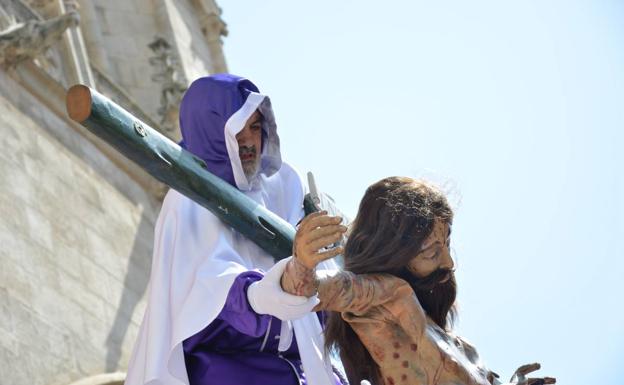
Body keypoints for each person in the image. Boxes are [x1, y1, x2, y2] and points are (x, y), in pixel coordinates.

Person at [124, 74, 347, 385]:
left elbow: (321, 306)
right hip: (228, 370)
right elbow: (214, 295)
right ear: (211, 132)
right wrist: (288, 279)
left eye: (255, 127)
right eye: (235, 129)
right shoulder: (187, 199)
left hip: (304, 367)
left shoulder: (283, 185)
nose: (247, 141)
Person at [281, 176, 557, 385]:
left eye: (447, 245)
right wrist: (302, 262)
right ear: (396, 250)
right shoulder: (386, 295)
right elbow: (309, 289)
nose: (448, 263)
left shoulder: (454, 339)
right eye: (432, 251)